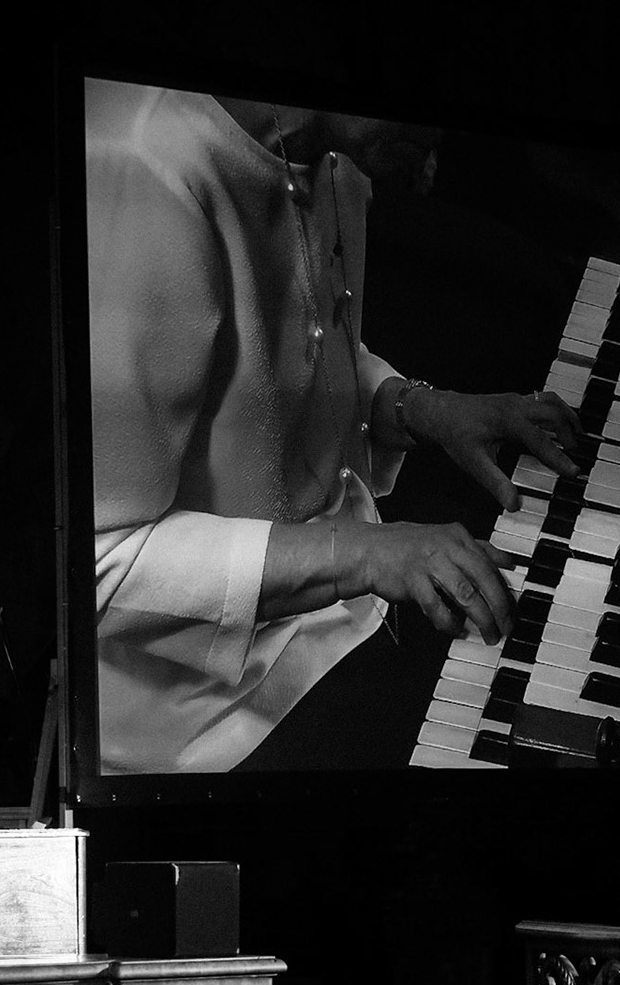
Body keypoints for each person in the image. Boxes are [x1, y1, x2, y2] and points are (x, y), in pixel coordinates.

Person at [86, 78, 586, 773]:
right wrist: (366, 555)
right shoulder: (140, 169)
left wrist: (415, 406)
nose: (439, 140)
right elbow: (101, 562)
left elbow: (293, 348)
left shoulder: (327, 146)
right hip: (206, 722)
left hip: (339, 611)